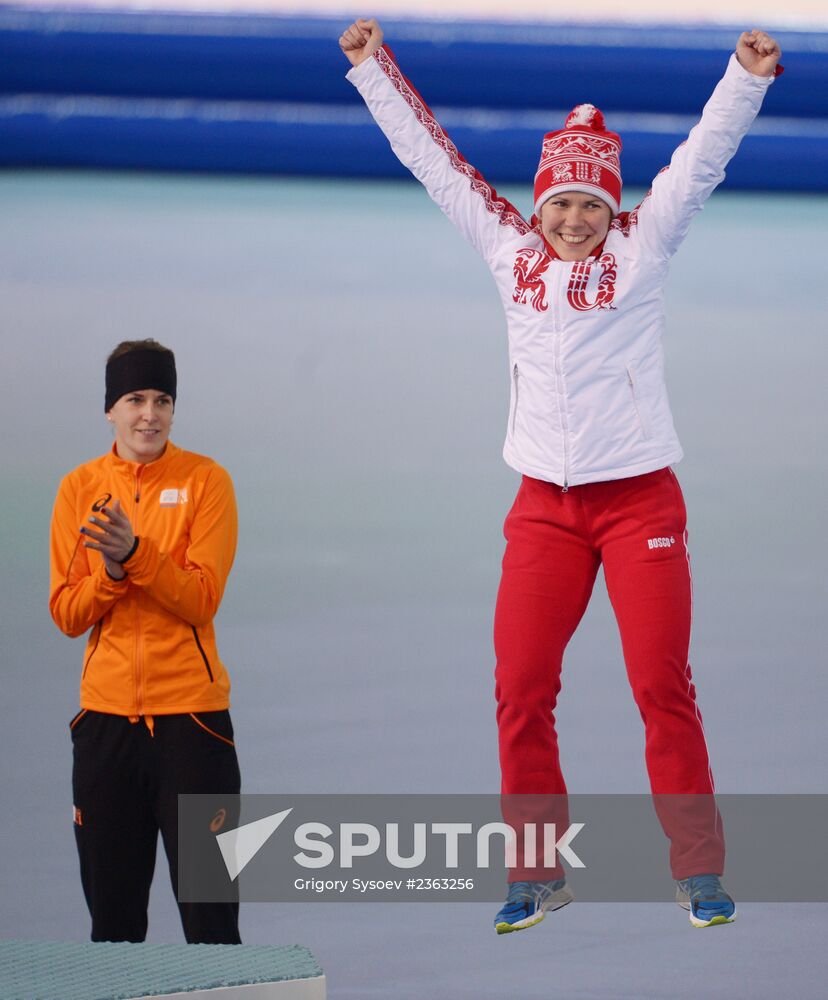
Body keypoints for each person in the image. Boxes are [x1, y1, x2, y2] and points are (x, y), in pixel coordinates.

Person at [339, 19, 782, 932]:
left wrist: (744, 78)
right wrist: (372, 70)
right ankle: (537, 870)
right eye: (559, 203)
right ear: (535, 205)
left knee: (661, 684)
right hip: (543, 509)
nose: (574, 219)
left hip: (639, 502)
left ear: (610, 207)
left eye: (590, 203)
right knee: (521, 685)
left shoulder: (644, 246)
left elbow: (702, 158)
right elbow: (434, 160)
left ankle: (698, 869)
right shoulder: (509, 253)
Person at [49, 339, 241, 943]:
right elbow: (66, 612)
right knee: (113, 927)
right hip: (105, 729)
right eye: (134, 399)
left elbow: (200, 597)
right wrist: (109, 577)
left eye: (162, 400)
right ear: (111, 408)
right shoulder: (78, 489)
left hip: (195, 727)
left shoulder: (207, 481)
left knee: (213, 923)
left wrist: (134, 554)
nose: (149, 415)